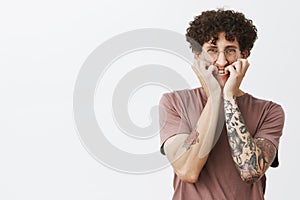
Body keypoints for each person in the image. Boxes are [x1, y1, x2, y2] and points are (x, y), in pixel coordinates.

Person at [159, 9, 285, 200]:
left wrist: (229, 97)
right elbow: (187, 171)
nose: (221, 61)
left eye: (230, 51)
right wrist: (214, 97)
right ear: (197, 54)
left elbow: (250, 171)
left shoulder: (269, 111)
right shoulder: (174, 103)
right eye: (212, 50)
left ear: (244, 55)